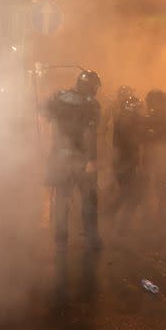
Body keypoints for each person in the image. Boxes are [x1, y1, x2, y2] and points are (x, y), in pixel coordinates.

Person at [45, 69, 103, 250]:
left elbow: (46, 115)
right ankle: (91, 238)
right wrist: (92, 159)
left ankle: (61, 240)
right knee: (89, 198)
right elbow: (89, 134)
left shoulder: (59, 97)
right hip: (80, 157)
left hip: (59, 156)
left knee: (62, 198)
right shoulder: (91, 104)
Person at [111, 94, 145, 232]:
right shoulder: (127, 121)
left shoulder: (125, 119)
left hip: (124, 163)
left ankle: (110, 218)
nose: (140, 111)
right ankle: (121, 226)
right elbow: (132, 143)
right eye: (138, 108)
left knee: (127, 194)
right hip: (125, 164)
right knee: (133, 195)